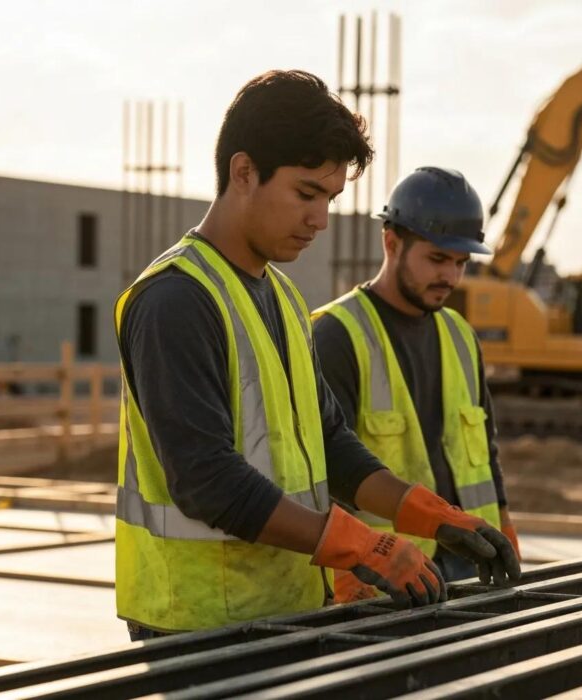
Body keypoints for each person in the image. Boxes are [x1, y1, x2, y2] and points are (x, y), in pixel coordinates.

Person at [115, 73, 520, 640]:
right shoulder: (176, 299)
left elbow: (331, 446)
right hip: (196, 624)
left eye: (329, 199)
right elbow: (205, 479)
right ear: (243, 172)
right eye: (306, 194)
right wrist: (357, 542)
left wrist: (432, 516)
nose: (320, 220)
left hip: (282, 612)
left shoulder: (280, 297)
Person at [313, 166, 522, 601]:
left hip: (473, 559)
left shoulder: (461, 336)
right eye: (438, 258)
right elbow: (323, 470)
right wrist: (348, 569)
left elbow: (485, 450)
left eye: (461, 262)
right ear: (391, 241)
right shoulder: (337, 335)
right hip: (390, 571)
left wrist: (503, 528)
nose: (451, 276)